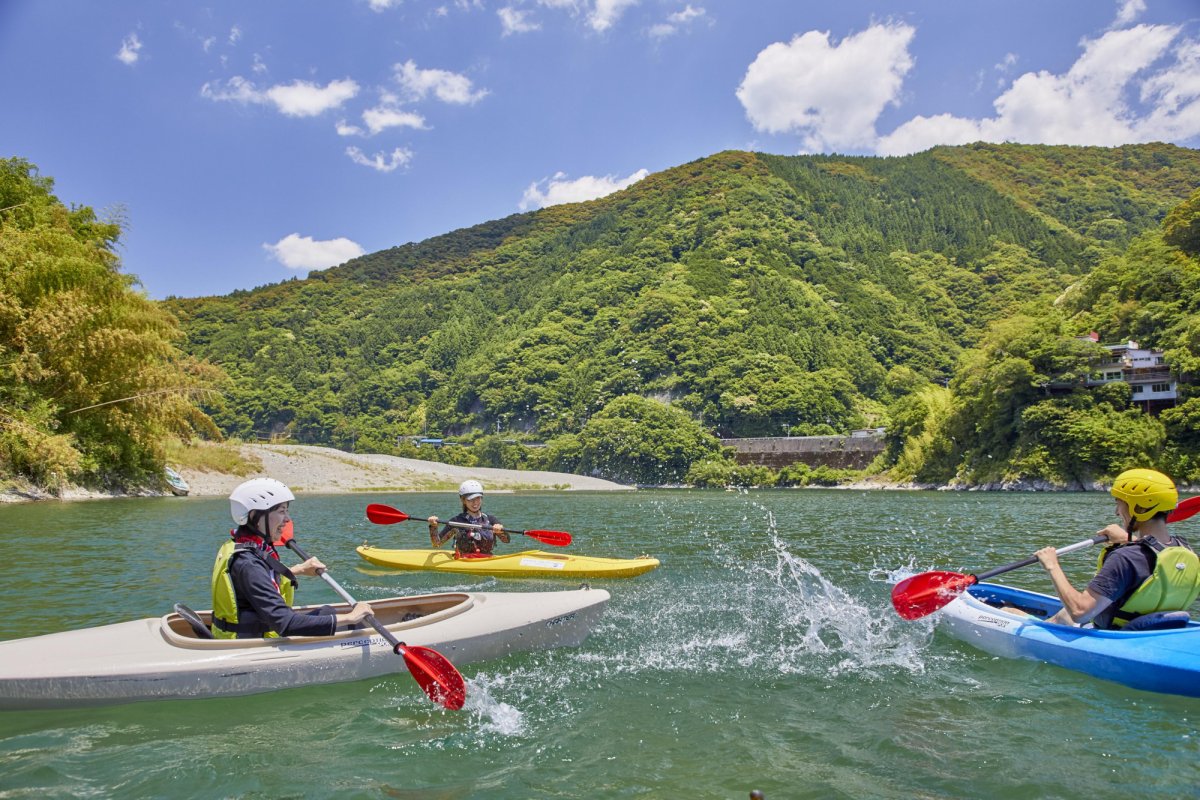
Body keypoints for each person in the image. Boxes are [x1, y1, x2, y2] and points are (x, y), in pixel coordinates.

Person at [1036, 468, 1200, 629]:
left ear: (1140, 508)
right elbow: (1152, 557)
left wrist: (1052, 565)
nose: (1116, 512)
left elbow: (1080, 612)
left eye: (1119, 504)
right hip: (1160, 631)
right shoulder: (1187, 553)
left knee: (1058, 614)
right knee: (1063, 614)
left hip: (1116, 636)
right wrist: (1127, 539)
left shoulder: (1125, 558)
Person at [210, 477, 373, 639]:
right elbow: (286, 623)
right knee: (352, 624)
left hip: (254, 631)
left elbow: (258, 579)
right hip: (256, 644)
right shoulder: (248, 564)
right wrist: (351, 617)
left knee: (327, 611)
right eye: (282, 511)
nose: (287, 519)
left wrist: (298, 569)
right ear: (255, 516)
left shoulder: (239, 545)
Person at [428, 479, 509, 556]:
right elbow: (437, 543)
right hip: (464, 560)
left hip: (486, 559)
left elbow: (507, 540)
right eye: (471, 499)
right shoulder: (456, 521)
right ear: (463, 500)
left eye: (478, 498)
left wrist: (501, 532)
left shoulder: (490, 519)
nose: (475, 502)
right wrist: (433, 526)